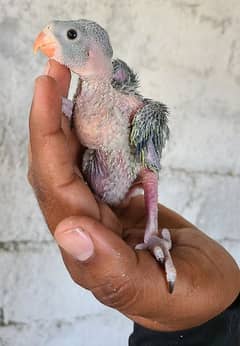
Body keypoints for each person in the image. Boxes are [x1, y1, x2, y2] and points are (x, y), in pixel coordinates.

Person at [28, 60, 240, 345]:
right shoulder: (87, 104)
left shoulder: (136, 109)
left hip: (131, 188)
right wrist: (205, 315)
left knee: (147, 176)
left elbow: (148, 173)